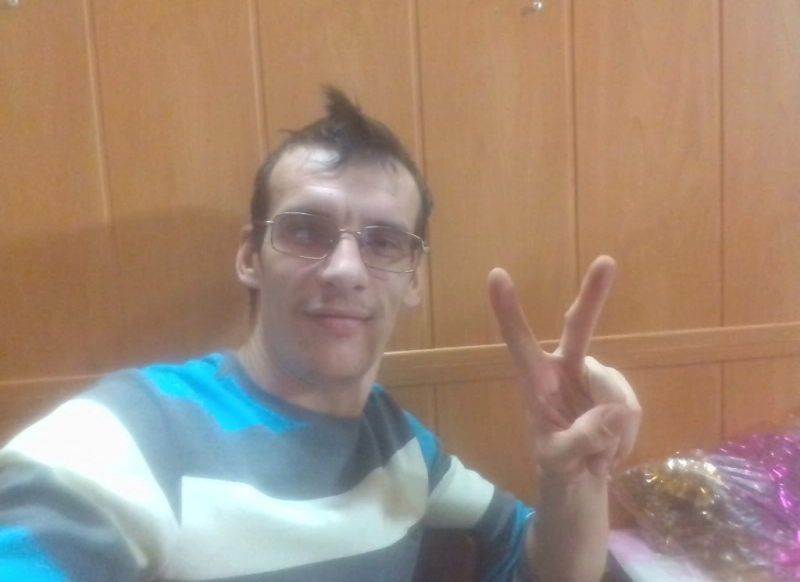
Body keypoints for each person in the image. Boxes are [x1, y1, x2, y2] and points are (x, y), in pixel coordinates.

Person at [0, 87, 640, 582]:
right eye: (305, 230)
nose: (344, 270)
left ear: (413, 278)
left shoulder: (400, 446)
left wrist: (574, 479)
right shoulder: (126, 438)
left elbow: (544, 567)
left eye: (383, 242)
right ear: (250, 257)